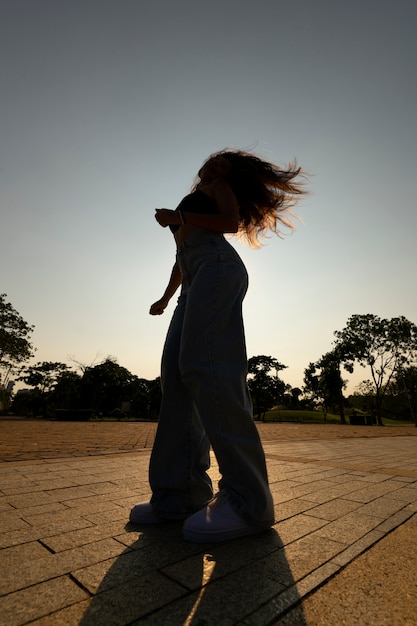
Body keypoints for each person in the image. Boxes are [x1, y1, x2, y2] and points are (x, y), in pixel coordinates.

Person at [130, 149, 306, 542]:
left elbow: (228, 223)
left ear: (228, 169)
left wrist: (179, 217)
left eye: (217, 161)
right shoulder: (197, 199)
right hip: (192, 280)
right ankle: (178, 496)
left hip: (216, 267)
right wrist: (164, 297)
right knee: (175, 379)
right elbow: (181, 256)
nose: (207, 164)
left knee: (207, 369)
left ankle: (249, 501)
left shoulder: (218, 187)